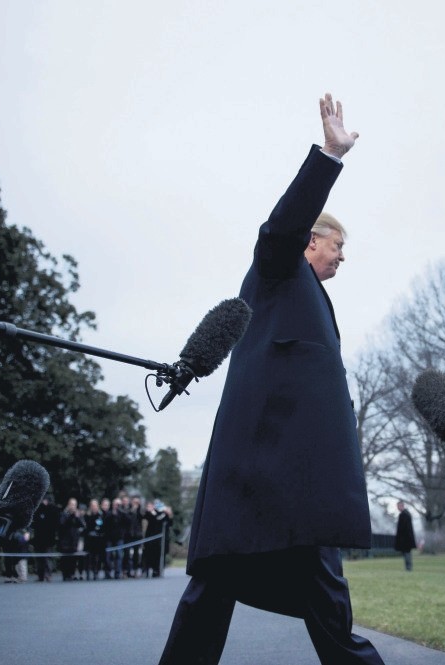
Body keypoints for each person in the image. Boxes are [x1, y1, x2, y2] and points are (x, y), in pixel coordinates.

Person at [159, 93, 384, 665]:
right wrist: (329, 157)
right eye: (338, 246)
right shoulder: (279, 268)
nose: (342, 257)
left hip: (296, 472)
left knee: (318, 592)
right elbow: (280, 225)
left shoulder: (308, 297)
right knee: (218, 586)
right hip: (263, 465)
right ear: (311, 241)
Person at [31, 496, 59, 582]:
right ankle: (40, 575)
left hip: (49, 539)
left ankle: (48, 574)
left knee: (48, 558)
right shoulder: (37, 510)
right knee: (39, 559)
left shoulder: (53, 510)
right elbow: (34, 524)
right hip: (38, 539)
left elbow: (55, 524)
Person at [57, 497, 84, 581]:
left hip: (74, 540)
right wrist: (71, 516)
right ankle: (65, 574)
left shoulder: (77, 514)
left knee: (73, 558)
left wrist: (77, 517)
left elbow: (82, 525)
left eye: (74, 505)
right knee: (65, 558)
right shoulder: (64, 514)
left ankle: (72, 573)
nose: (73, 506)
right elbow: (62, 524)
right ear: (68, 505)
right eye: (71, 504)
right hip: (65, 540)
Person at [394, 501, 417, 572]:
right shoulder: (406, 514)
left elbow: (403, 528)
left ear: (401, 506)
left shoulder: (404, 515)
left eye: (398, 506)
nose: (397, 508)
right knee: (407, 553)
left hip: (405, 539)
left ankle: (408, 568)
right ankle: (408, 567)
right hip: (407, 538)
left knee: (407, 553)